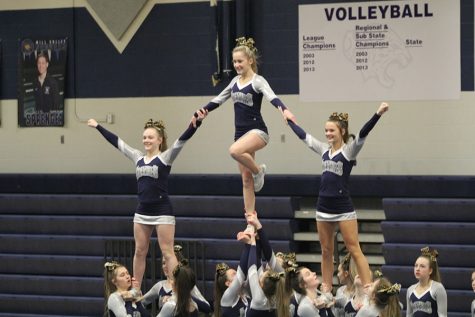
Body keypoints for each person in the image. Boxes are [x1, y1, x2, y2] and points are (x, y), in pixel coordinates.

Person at [88, 109, 208, 296]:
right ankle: (136, 288)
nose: (146, 140)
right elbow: (118, 143)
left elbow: (182, 140)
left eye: (150, 137)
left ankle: (176, 288)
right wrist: (98, 127)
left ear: (159, 140)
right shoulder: (137, 157)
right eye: (144, 137)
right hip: (142, 211)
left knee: (168, 252)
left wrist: (196, 123)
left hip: (162, 211)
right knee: (139, 251)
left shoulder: (165, 157)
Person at [191, 37, 296, 233]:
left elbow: (272, 97)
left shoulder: (258, 81)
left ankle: (259, 171)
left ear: (250, 61)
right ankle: (250, 221)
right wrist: (201, 111)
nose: (237, 65)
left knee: (234, 151)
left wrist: (285, 110)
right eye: (234, 61)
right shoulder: (234, 82)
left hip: (258, 131)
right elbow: (218, 99)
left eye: (240, 61)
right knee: (246, 180)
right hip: (240, 133)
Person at [286, 102, 389, 300]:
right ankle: (326, 288)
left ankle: (368, 288)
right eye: (326, 130)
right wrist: (290, 122)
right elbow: (304, 137)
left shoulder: (349, 151)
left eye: (331, 130)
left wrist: (377, 113)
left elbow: (363, 133)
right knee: (326, 250)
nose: (327, 133)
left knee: (354, 248)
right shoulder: (324, 149)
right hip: (323, 207)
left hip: (343, 207)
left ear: (341, 131)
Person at [142, 245, 210, 314]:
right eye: (163, 263)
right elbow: (141, 302)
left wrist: (185, 296)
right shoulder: (160, 286)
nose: (165, 266)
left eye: (168, 263)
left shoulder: (187, 285)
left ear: (178, 264)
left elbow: (207, 307)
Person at [406, 246, 447, 317]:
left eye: (422, 266)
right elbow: (409, 315)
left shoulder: (437, 288)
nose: (417, 269)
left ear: (430, 270)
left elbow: (443, 315)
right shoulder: (410, 290)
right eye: (416, 266)